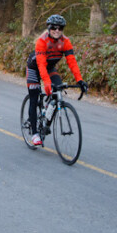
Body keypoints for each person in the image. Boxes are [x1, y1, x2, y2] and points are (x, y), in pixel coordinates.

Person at [26, 14, 88, 146]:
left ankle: (47, 118)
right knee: (34, 97)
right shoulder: (42, 41)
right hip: (34, 68)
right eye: (54, 27)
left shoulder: (65, 42)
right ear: (49, 28)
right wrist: (47, 83)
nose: (57, 30)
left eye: (60, 28)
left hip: (49, 68)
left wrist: (80, 80)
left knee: (58, 90)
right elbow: (41, 65)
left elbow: (72, 62)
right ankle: (35, 134)